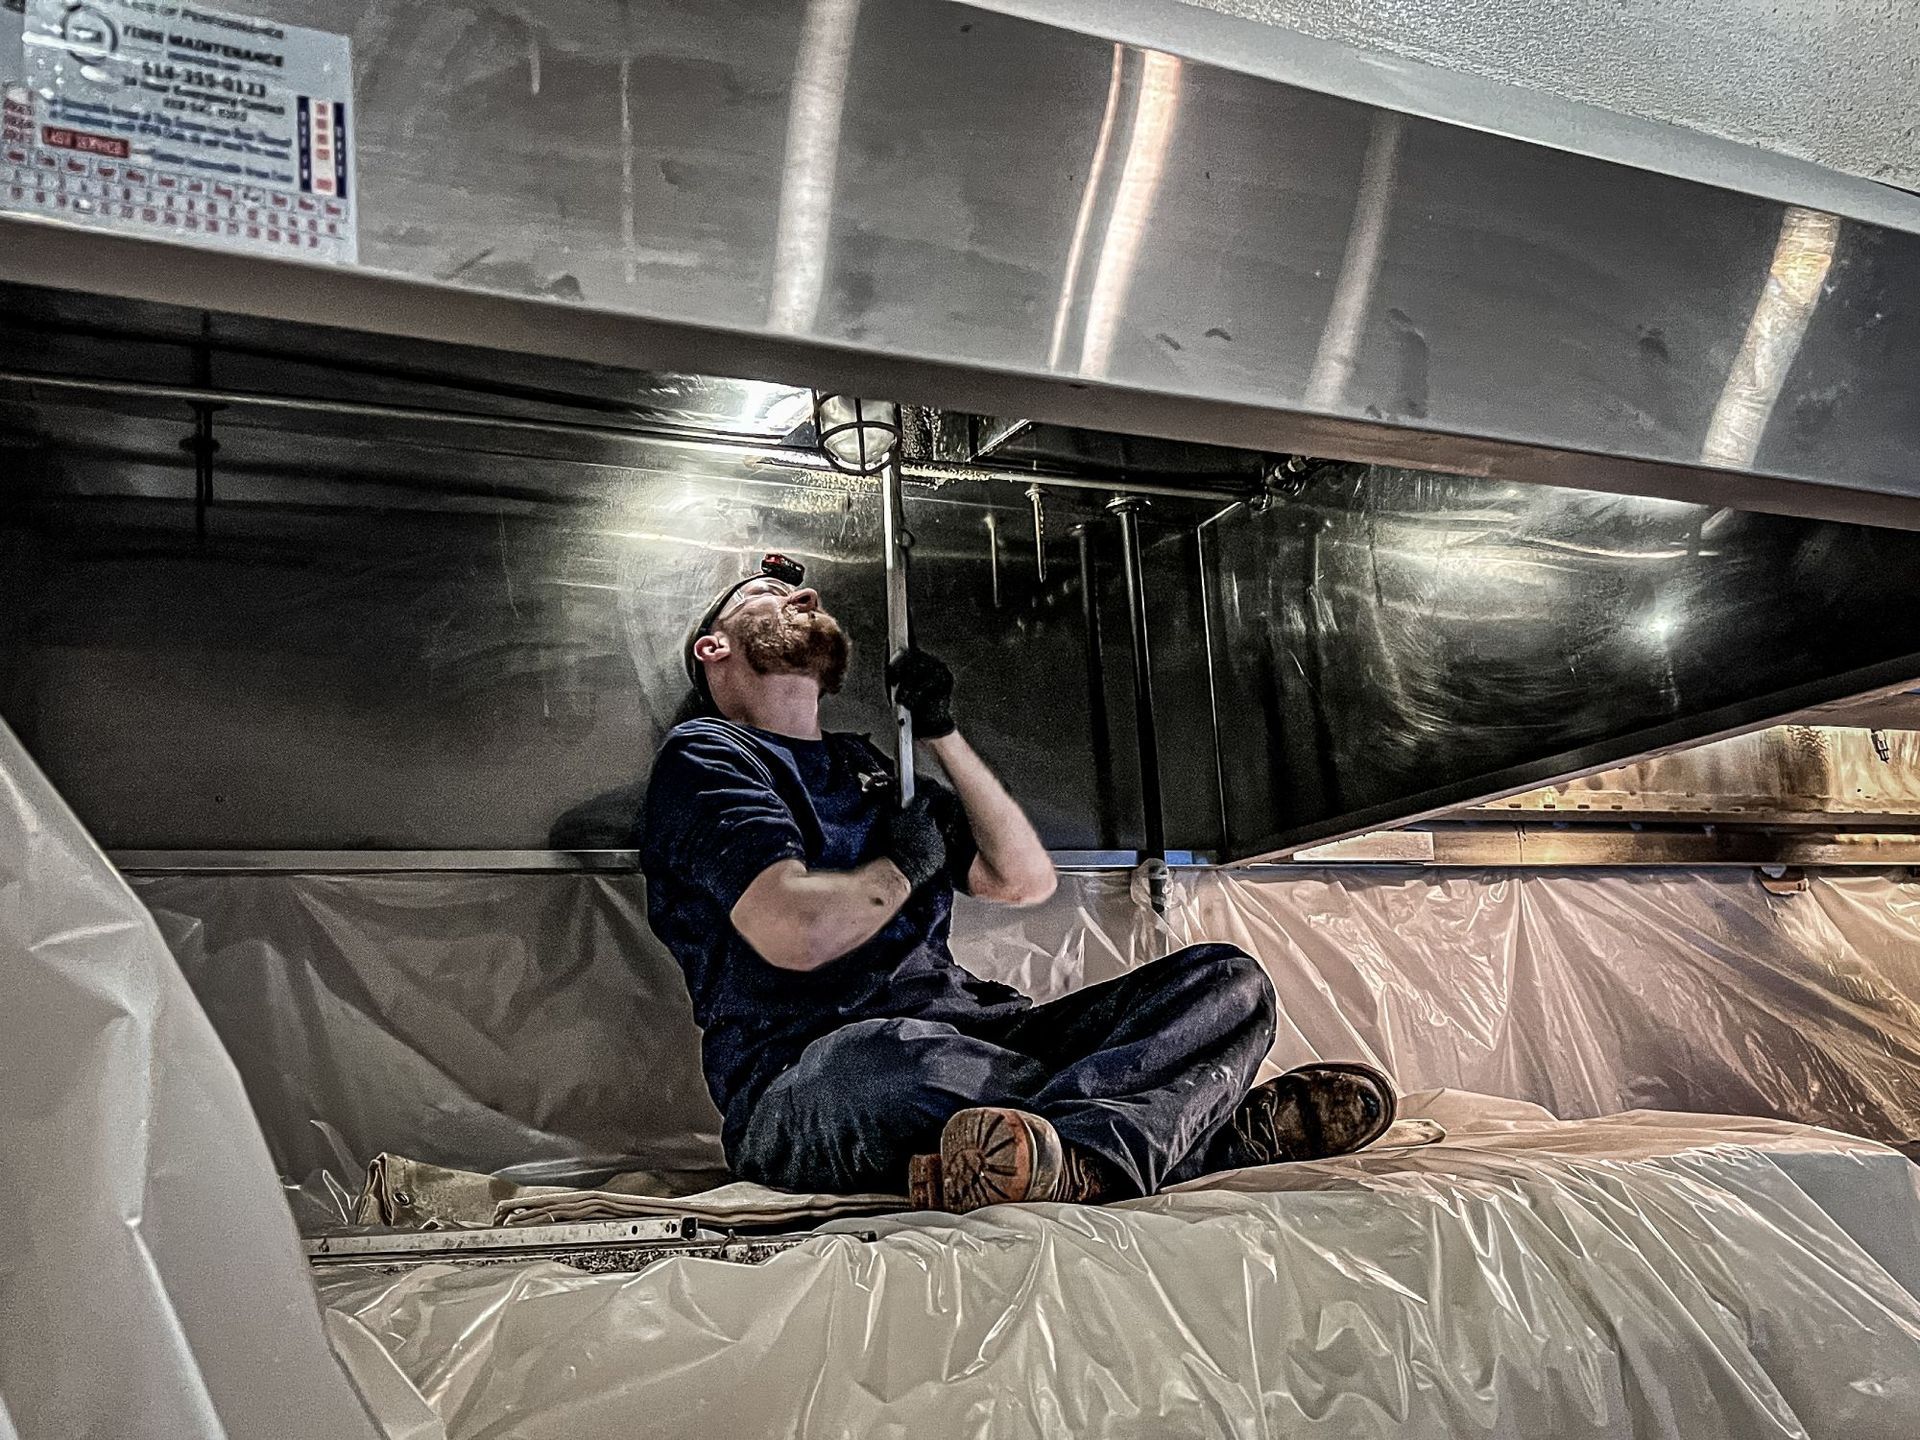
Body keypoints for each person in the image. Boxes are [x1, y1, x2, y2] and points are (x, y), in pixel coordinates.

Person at [637, 556, 1396, 1211]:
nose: (803, 597)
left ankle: (1064, 1157)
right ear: (714, 647)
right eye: (766, 597)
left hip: (980, 1042)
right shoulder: (708, 757)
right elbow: (793, 932)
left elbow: (1022, 879)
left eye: (803, 594)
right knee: (890, 1063)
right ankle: (1205, 1136)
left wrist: (942, 733)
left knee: (1229, 983)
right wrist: (901, 868)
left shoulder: (869, 766)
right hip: (809, 1080)